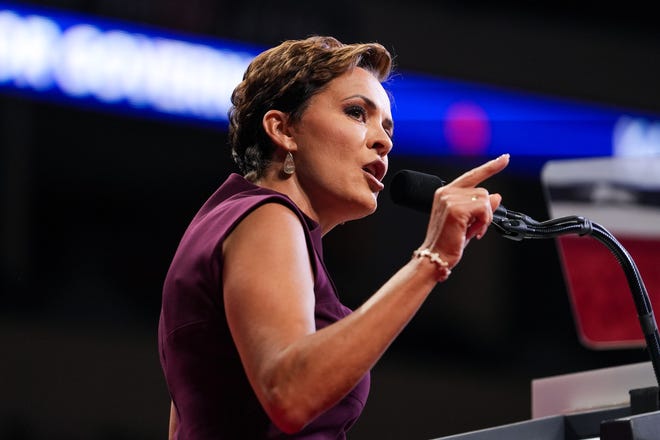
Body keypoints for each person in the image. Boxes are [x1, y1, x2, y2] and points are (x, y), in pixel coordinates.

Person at [158, 35, 509, 439]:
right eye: (357, 113)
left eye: (387, 126)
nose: (384, 141)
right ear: (283, 129)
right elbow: (290, 394)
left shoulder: (229, 218)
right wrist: (432, 258)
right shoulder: (267, 216)